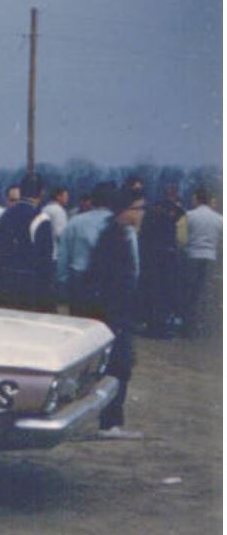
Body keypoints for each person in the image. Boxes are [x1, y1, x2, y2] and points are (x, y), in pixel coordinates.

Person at [86, 187, 145, 440]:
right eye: (138, 208)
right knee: (118, 367)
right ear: (126, 210)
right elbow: (112, 282)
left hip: (115, 313)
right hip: (115, 315)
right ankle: (110, 423)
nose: (142, 213)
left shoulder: (114, 233)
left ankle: (110, 421)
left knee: (119, 366)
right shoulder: (115, 238)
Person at [0, 174, 55, 312]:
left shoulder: (2, 218)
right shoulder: (41, 219)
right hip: (32, 293)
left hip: (5, 288)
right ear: (42, 192)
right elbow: (46, 261)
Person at [56, 182, 116, 318]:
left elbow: (63, 255)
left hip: (80, 282)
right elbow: (133, 260)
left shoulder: (75, 222)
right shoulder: (121, 225)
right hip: (111, 283)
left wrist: (62, 280)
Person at [138, 184, 187, 337]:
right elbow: (182, 239)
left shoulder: (151, 210)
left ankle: (151, 325)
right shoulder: (179, 213)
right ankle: (162, 327)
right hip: (168, 257)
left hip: (151, 257)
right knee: (166, 293)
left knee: (152, 291)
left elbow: (142, 234)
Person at [182, 187, 222, 338]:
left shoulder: (189, 215)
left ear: (197, 199)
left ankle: (188, 327)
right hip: (210, 257)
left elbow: (182, 237)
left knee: (190, 293)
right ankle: (204, 327)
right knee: (205, 294)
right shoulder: (220, 219)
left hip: (192, 255)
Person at [42, 187, 70, 257]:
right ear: (58, 197)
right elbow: (60, 234)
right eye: (65, 196)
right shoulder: (59, 211)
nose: (67, 199)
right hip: (55, 253)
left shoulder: (44, 209)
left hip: (45, 252)